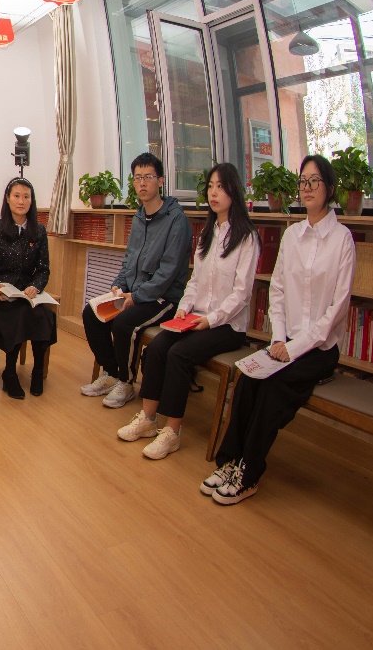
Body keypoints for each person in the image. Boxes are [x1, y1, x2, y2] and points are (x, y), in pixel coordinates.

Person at [204, 155, 355, 505]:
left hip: (318, 349)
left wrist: (294, 347)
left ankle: (249, 472)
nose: (307, 188)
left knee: (273, 388)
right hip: (283, 341)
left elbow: (337, 308)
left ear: (330, 188)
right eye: (303, 181)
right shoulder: (292, 235)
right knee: (248, 377)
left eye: (314, 181)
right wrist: (277, 339)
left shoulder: (342, 239)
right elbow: (278, 291)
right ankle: (228, 462)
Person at [121, 164, 257, 458]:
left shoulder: (247, 237)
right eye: (210, 187)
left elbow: (242, 293)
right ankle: (148, 419)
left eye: (220, 187)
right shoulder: (209, 232)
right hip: (195, 317)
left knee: (179, 354)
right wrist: (183, 309)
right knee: (157, 347)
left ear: (234, 191)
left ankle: (172, 432)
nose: (213, 193)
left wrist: (211, 320)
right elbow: (195, 281)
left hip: (227, 326)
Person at [80, 152, 192, 408]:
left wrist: (137, 297)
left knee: (124, 323)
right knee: (92, 313)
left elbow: (168, 272)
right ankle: (111, 373)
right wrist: (119, 285)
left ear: (160, 181)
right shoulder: (140, 217)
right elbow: (129, 259)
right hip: (135, 293)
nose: (142, 183)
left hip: (164, 298)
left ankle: (126, 382)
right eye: (137, 177)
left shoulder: (176, 220)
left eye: (148, 177)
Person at [0, 178, 55, 399]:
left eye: (26, 197)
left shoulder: (39, 231)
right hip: (0, 294)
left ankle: (37, 371)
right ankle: (9, 373)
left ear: (31, 201)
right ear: (8, 199)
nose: (21, 201)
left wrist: (35, 287)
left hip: (27, 293)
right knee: (19, 314)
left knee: (44, 315)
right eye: (17, 196)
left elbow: (43, 269)